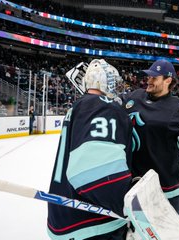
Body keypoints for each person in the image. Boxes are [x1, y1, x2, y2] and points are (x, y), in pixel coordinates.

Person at [47, 59, 133, 240]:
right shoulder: (104, 106)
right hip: (94, 222)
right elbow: (95, 173)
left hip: (65, 215)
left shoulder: (80, 105)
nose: (118, 88)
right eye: (114, 82)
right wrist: (128, 207)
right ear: (104, 80)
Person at [121, 59, 179, 215]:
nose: (149, 80)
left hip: (164, 191)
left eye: (154, 77)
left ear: (168, 80)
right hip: (130, 186)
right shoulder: (134, 96)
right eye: (148, 76)